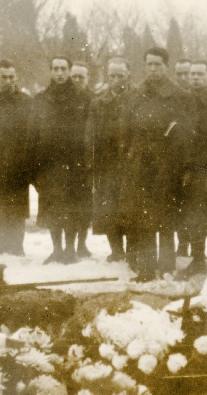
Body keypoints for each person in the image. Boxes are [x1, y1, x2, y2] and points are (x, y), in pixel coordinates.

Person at [117, 47, 194, 281]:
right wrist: (130, 155)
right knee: (143, 218)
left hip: (168, 166)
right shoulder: (135, 95)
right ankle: (148, 268)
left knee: (166, 216)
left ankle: (168, 265)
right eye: (149, 64)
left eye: (158, 65)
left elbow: (187, 134)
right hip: (140, 165)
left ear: (166, 66)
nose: (153, 69)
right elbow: (125, 130)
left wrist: (182, 166)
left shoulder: (180, 96)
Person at [33, 56, 92, 264]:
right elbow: (34, 134)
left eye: (63, 69)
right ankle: (57, 249)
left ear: (69, 71)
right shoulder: (41, 99)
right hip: (50, 164)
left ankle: (70, 249)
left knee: (73, 208)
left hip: (75, 163)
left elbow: (89, 132)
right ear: (50, 71)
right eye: (55, 69)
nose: (59, 73)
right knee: (53, 208)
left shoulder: (82, 98)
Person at [85, 57, 133, 263]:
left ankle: (132, 250)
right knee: (108, 208)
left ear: (128, 75)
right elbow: (90, 136)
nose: (116, 80)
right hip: (107, 165)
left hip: (131, 164)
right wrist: (92, 164)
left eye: (120, 75)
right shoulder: (98, 102)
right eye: (112, 76)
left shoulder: (138, 99)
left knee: (130, 208)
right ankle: (116, 250)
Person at [0, 59, 33, 256]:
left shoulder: (26, 101)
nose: (8, 81)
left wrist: (27, 161)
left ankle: (17, 245)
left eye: (12, 77)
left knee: (18, 207)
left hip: (19, 161)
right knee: (0, 206)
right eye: (4, 77)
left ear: (17, 77)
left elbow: (31, 133)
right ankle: (2, 243)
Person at [178, 59, 207, 277]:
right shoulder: (183, 99)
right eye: (192, 74)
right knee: (192, 215)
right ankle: (196, 258)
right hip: (188, 166)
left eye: (200, 74)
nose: (194, 78)